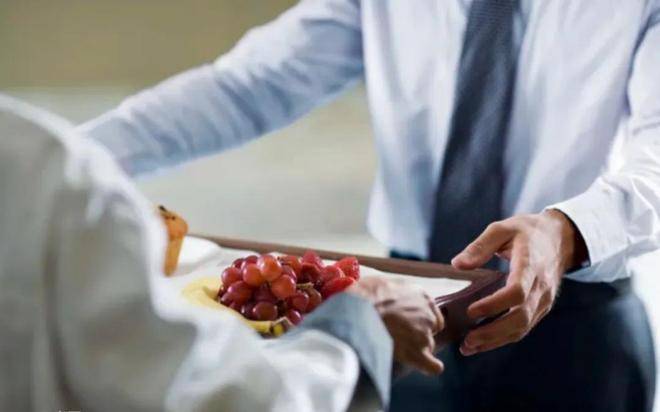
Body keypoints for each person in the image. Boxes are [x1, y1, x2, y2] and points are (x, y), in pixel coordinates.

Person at [79, 0, 659, 410]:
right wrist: (66, 163)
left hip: (574, 332)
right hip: (402, 318)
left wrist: (568, 230)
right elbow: (250, 85)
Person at [0, 94, 446, 411]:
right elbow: (216, 399)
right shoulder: (52, 182)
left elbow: (252, 84)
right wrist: (353, 331)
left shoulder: (46, 174)